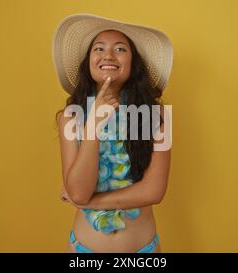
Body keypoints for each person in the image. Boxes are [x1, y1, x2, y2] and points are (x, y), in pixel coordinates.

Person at [53, 14, 173, 253]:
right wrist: (94, 124)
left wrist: (89, 202)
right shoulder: (70, 116)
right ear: (89, 61)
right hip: (84, 251)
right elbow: (78, 190)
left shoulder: (156, 114)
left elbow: (154, 190)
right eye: (99, 48)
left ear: (133, 63)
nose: (108, 55)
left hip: (143, 251)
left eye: (120, 49)